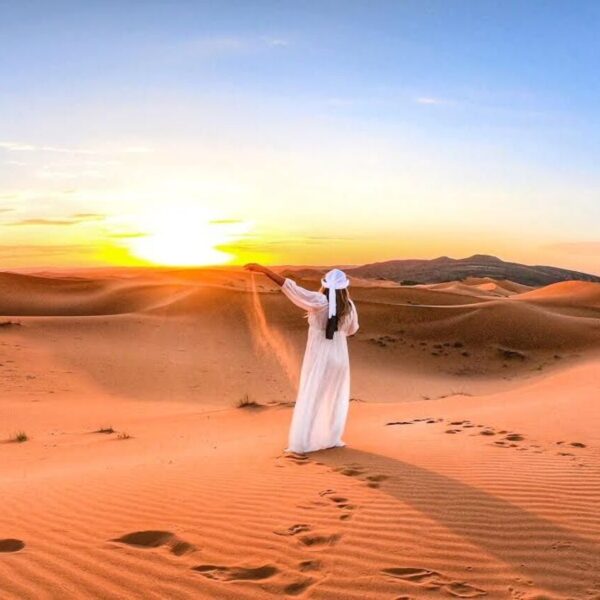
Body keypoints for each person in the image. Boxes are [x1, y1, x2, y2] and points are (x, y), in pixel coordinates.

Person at [244, 263, 359, 454]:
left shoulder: (319, 301)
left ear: (326, 285)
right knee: (333, 397)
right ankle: (330, 438)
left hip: (320, 355)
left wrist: (264, 270)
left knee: (313, 396)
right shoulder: (349, 306)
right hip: (339, 356)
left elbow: (291, 288)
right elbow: (352, 330)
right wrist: (337, 330)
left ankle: (305, 442)